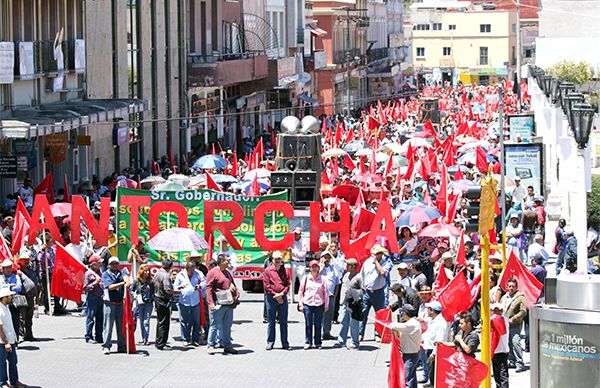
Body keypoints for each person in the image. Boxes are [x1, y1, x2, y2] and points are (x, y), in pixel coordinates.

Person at [206, 255, 240, 355]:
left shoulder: (227, 272)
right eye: (227, 260)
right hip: (218, 303)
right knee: (214, 325)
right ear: (221, 261)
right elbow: (208, 289)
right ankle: (210, 345)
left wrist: (237, 293)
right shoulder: (212, 272)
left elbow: (232, 284)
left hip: (229, 303)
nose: (229, 261)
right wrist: (211, 303)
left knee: (227, 326)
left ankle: (227, 346)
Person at [359, 244, 393, 341]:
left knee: (379, 314)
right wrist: (362, 287)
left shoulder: (385, 263)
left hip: (379, 292)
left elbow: (383, 273)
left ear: (382, 254)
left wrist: (376, 262)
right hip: (367, 292)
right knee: (363, 313)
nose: (375, 255)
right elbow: (362, 275)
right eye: (374, 253)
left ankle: (377, 334)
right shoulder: (367, 262)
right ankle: (360, 334)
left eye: (377, 254)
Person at [262, 251, 290, 350]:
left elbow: (287, 284)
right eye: (276, 259)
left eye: (279, 259)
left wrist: (282, 294)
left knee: (283, 322)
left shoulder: (285, 271)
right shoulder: (268, 271)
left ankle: (285, 343)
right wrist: (276, 295)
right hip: (271, 299)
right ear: (272, 260)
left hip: (283, 298)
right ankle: (270, 342)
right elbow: (266, 286)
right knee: (271, 321)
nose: (278, 261)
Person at [101, 257, 129, 355]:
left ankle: (121, 346)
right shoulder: (105, 274)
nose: (114, 265)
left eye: (116, 263)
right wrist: (122, 283)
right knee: (108, 326)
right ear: (109, 265)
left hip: (120, 303)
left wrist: (126, 281)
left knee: (120, 326)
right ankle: (106, 346)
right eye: (112, 264)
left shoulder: (121, 272)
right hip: (110, 303)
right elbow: (110, 287)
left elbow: (127, 280)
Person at [298, 260, 329, 350]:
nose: (314, 269)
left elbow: (326, 293)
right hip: (308, 303)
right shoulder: (306, 278)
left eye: (316, 267)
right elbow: (301, 291)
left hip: (319, 304)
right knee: (308, 324)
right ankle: (308, 342)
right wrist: (301, 304)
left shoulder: (322, 279)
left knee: (318, 324)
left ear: (318, 268)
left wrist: (326, 305)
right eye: (312, 267)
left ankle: (318, 342)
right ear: (310, 268)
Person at [390, 304, 422, 388]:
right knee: (411, 377)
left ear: (405, 313)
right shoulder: (410, 323)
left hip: (411, 355)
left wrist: (392, 325)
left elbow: (394, 325)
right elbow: (400, 336)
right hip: (409, 354)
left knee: (406, 378)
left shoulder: (411, 324)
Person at [0, 288, 26, 388]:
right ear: (5, 297)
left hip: (11, 339)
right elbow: (0, 328)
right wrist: (6, 342)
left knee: (13, 361)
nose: (11, 297)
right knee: (2, 363)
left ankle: (14, 381)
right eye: (9, 296)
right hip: (3, 342)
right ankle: (2, 383)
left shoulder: (6, 307)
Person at [500, 278, 527, 372]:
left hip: (515, 324)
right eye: (509, 286)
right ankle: (512, 361)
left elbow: (523, 311)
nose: (511, 288)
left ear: (516, 287)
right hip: (504, 324)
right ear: (507, 287)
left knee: (516, 343)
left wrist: (513, 319)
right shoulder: (504, 297)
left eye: (513, 286)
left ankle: (520, 363)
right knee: (508, 343)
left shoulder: (520, 297)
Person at [335, 258, 362, 350]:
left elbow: (363, 290)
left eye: (348, 265)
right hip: (345, 303)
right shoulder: (346, 275)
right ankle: (341, 340)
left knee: (354, 323)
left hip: (354, 305)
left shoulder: (359, 277)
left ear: (353, 267)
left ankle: (355, 342)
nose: (346, 266)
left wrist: (354, 295)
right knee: (343, 321)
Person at [174, 262, 203, 347]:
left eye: (193, 270)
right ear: (186, 269)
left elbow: (204, 282)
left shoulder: (198, 273)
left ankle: (195, 339)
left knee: (196, 321)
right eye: (190, 271)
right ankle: (185, 339)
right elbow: (175, 287)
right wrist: (180, 287)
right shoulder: (180, 275)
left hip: (195, 301)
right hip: (184, 301)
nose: (192, 272)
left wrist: (200, 286)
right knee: (184, 321)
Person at [153, 259, 178, 350]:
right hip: (163, 299)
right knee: (164, 322)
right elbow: (167, 289)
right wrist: (177, 291)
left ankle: (158, 341)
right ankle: (161, 343)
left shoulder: (157, 273)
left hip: (157, 297)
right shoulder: (166, 275)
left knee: (160, 321)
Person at [422, 301, 448, 386]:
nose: (427, 311)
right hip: (429, 349)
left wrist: (434, 354)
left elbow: (440, 339)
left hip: (435, 352)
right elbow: (427, 334)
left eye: (428, 309)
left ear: (432, 310)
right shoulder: (432, 320)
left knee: (434, 374)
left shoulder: (440, 323)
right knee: (431, 372)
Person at [16, 249, 36, 342]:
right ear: (20, 261)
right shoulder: (17, 272)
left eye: (28, 260)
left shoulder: (31, 271)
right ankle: (20, 335)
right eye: (25, 260)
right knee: (21, 317)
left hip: (31, 296)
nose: (27, 262)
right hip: (22, 296)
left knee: (29, 316)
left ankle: (29, 334)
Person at [319, 251, 340, 340]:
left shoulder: (333, 269)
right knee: (319, 314)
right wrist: (322, 267)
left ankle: (326, 332)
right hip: (320, 296)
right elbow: (314, 277)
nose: (326, 259)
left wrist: (335, 294)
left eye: (328, 257)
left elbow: (337, 282)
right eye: (324, 257)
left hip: (331, 295)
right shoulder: (317, 267)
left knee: (329, 315)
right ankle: (317, 333)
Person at [131, 264, 153, 346]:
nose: (147, 272)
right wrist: (134, 295)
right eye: (145, 271)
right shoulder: (137, 281)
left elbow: (153, 292)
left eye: (148, 271)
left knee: (146, 321)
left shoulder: (150, 281)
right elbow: (131, 290)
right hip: (140, 303)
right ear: (141, 271)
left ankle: (146, 339)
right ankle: (143, 337)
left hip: (148, 303)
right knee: (141, 321)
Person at [83, 255, 104, 344]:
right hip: (92, 298)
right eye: (99, 263)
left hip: (100, 297)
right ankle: (88, 336)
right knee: (90, 318)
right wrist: (95, 283)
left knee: (100, 318)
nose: (101, 264)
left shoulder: (100, 272)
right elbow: (85, 288)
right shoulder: (88, 274)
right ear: (94, 264)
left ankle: (99, 336)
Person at [0, 260, 22, 340]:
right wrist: (10, 286)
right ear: (3, 269)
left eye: (9, 267)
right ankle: (5, 339)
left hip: (13, 302)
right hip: (2, 303)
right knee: (4, 322)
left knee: (15, 321)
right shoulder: (0, 278)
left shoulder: (15, 277)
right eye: (6, 268)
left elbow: (19, 287)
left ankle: (15, 340)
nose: (8, 269)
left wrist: (6, 287)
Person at [491, 303, 510, 388]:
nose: (496, 312)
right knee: (497, 375)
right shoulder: (494, 319)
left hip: (501, 350)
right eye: (494, 310)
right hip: (495, 351)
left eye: (497, 310)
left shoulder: (502, 319)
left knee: (502, 375)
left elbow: (500, 328)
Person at [290, 227, 308, 297]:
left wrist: (293, 251)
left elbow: (302, 254)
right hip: (293, 262)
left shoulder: (304, 242)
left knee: (302, 281)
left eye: (297, 233)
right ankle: (291, 297)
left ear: (300, 234)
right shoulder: (291, 241)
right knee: (291, 281)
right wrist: (296, 252)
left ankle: (303, 297)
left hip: (301, 263)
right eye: (295, 233)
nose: (296, 235)